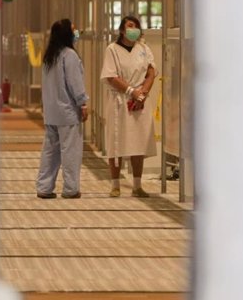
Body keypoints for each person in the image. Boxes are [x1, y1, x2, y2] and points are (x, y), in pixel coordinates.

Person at [100, 16, 157, 197]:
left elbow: (151, 72)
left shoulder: (144, 49)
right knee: (116, 140)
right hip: (120, 100)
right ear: (122, 30)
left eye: (137, 26)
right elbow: (111, 76)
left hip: (140, 101)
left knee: (138, 142)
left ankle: (137, 186)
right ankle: (115, 185)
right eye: (130, 26)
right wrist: (131, 91)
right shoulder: (113, 49)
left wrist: (143, 93)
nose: (134, 29)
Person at [35, 19, 89, 199]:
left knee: (50, 151)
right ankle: (71, 188)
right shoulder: (69, 55)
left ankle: (44, 187)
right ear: (67, 34)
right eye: (74, 30)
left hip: (51, 112)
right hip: (67, 112)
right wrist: (83, 103)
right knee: (70, 151)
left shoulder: (49, 56)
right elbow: (75, 83)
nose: (76, 33)